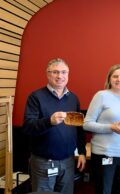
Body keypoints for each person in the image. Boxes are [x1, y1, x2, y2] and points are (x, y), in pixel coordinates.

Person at [23, 58, 86, 194]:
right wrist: (49, 121)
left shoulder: (73, 98)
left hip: (68, 161)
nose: (60, 76)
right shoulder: (36, 97)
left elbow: (79, 128)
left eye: (64, 72)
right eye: (55, 72)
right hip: (43, 163)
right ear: (48, 74)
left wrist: (82, 152)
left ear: (68, 74)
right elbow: (28, 127)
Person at [83, 64, 120, 194]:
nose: (119, 79)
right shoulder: (101, 96)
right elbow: (87, 124)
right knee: (104, 191)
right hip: (104, 153)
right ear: (109, 79)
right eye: (115, 76)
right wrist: (110, 127)